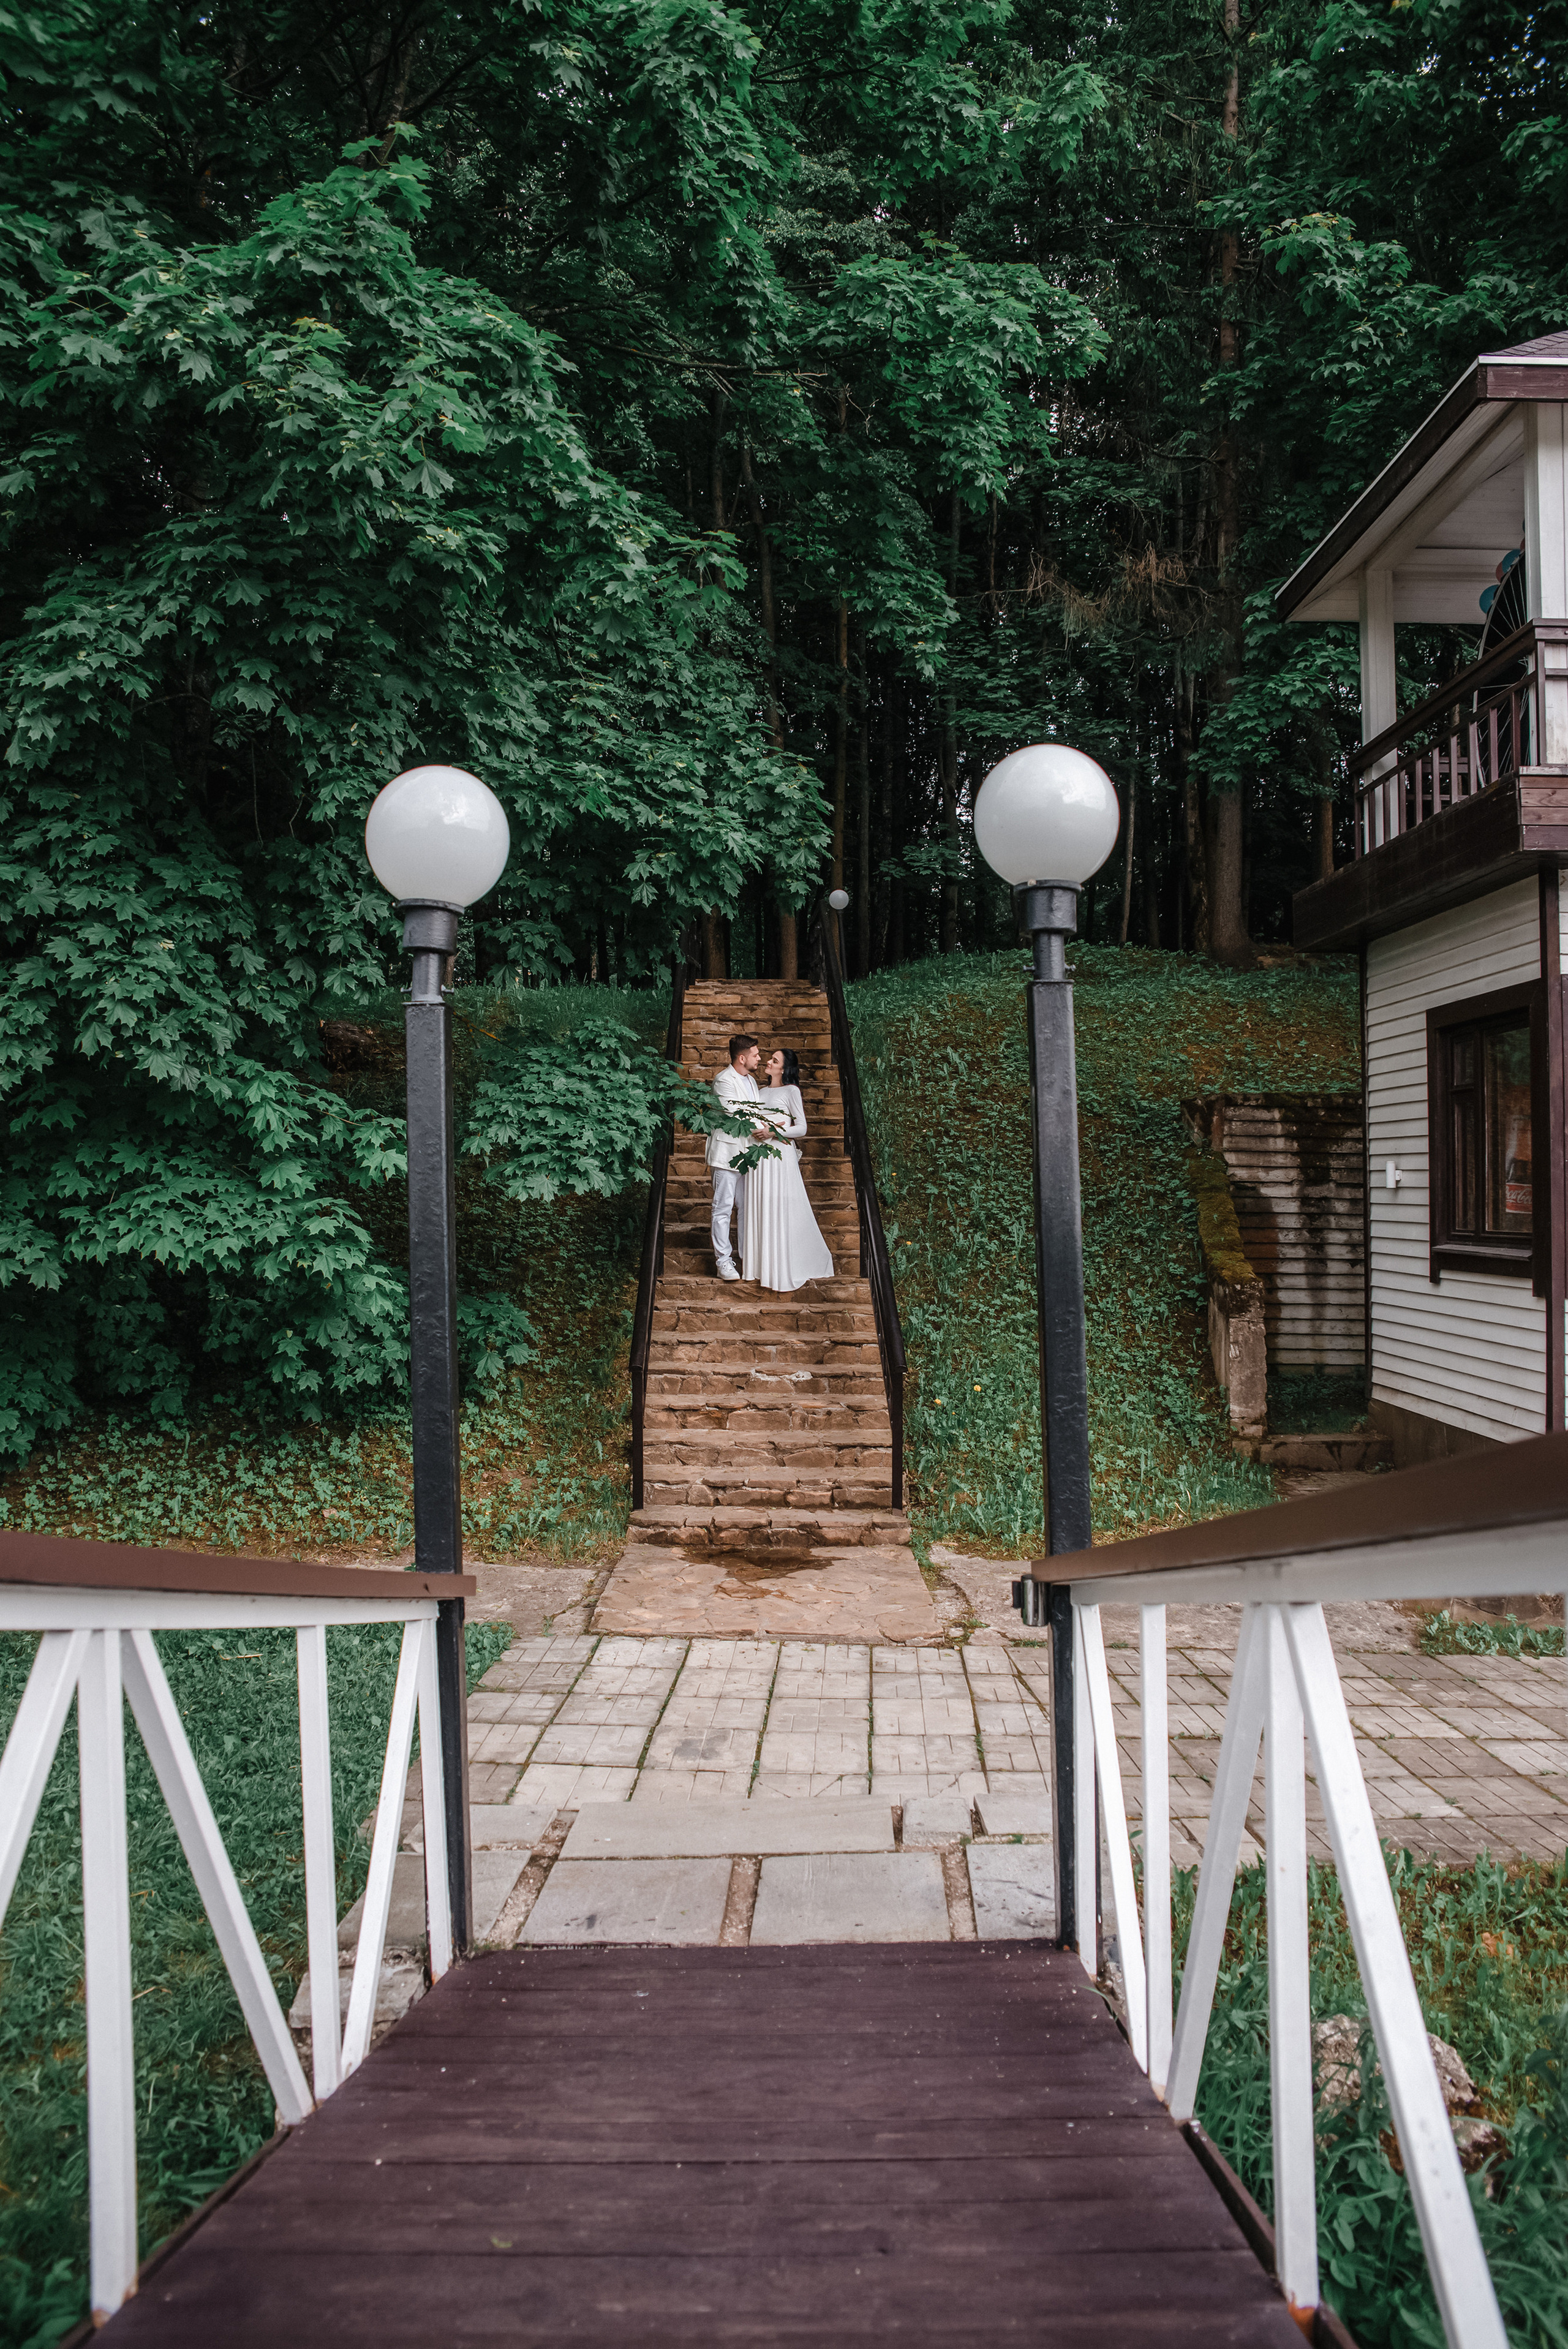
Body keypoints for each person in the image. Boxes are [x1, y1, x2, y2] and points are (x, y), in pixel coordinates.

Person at [744, 1047, 835, 1292]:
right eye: (771, 1059)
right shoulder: (759, 1091)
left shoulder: (791, 1091)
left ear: (783, 1069)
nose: (769, 1063)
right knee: (761, 1205)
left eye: (775, 1061)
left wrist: (774, 1132)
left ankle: (784, 1264)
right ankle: (760, 1266)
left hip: (779, 1154)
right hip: (759, 1155)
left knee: (779, 1205)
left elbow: (802, 1127)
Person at [707, 1034, 772, 1281]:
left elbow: (755, 1111)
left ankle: (748, 1258)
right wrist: (767, 1129)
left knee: (747, 1207)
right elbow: (736, 1115)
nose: (759, 1059)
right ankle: (723, 1262)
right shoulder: (724, 1081)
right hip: (726, 1154)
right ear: (742, 1058)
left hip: (747, 1154)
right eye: (756, 1055)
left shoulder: (752, 1082)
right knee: (722, 1208)